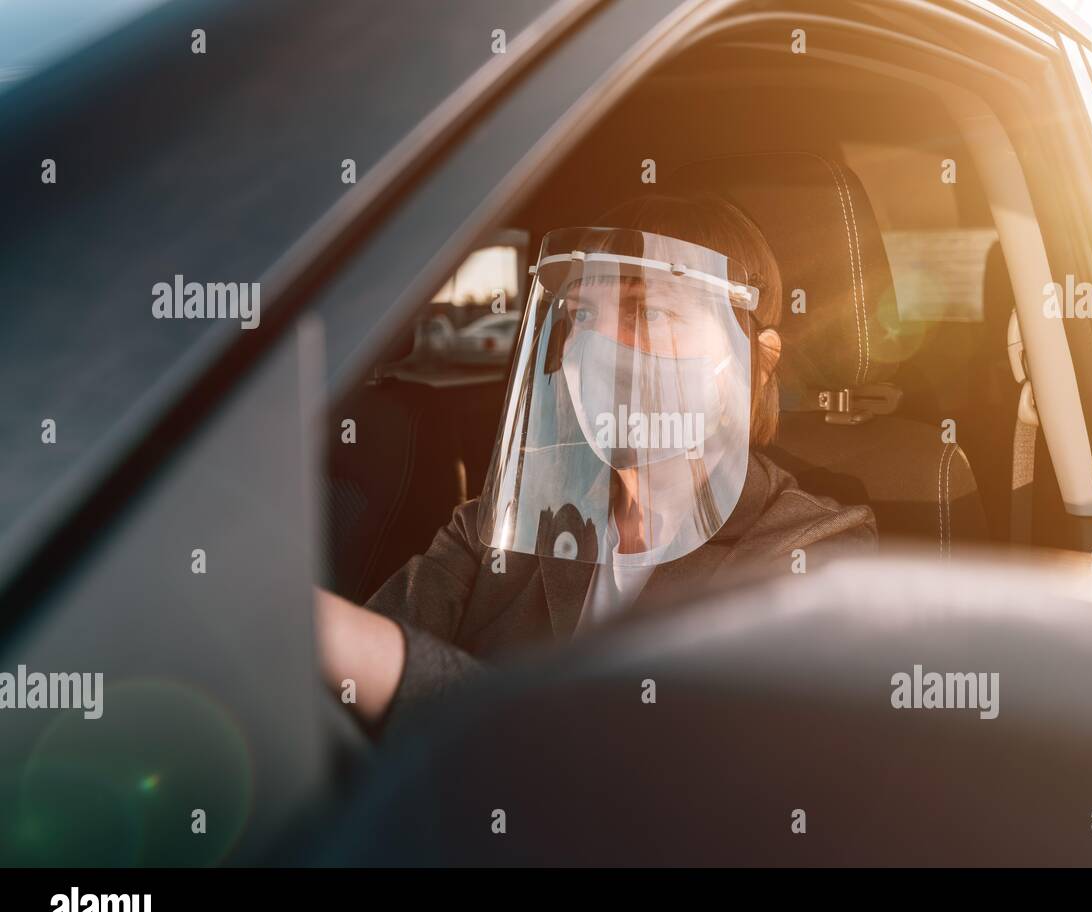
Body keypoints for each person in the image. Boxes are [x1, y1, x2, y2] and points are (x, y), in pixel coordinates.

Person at [316, 192, 877, 734]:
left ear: (755, 362)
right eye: (584, 315)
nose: (598, 348)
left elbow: (646, 772)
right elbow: (332, 711)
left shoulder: (812, 553)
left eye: (649, 312)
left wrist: (362, 651)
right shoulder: (500, 529)